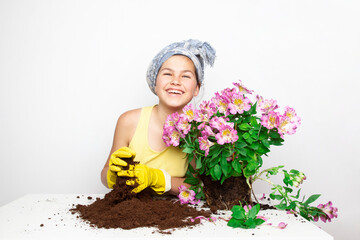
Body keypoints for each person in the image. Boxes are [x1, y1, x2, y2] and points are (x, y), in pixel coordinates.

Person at [100, 39, 216, 196]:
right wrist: (112, 176)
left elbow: (201, 186)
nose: (176, 81)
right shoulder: (128, 122)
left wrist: (158, 179)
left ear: (196, 88)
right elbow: (104, 175)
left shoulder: (199, 131)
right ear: (155, 81)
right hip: (129, 211)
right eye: (168, 74)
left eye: (186, 76)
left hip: (177, 214)